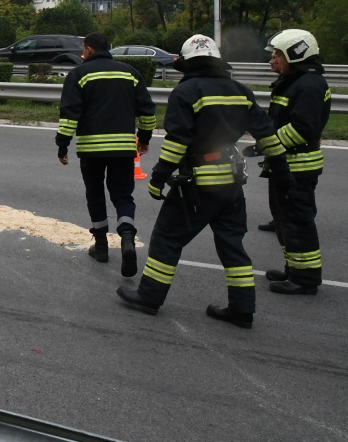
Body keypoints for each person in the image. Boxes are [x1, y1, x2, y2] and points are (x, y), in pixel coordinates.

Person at [116, 35, 291, 329]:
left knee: (167, 239)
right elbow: (268, 135)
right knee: (232, 245)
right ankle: (242, 309)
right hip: (232, 183)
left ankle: (149, 297)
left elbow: (177, 142)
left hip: (197, 184)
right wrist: (282, 170)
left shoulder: (186, 91)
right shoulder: (240, 90)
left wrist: (158, 178)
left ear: (187, 63)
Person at [56, 32, 156, 277]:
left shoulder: (78, 75)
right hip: (123, 148)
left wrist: (62, 144)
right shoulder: (129, 73)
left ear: (88, 49)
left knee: (95, 193)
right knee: (123, 195)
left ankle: (101, 247)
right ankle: (128, 238)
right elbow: (147, 110)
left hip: (91, 149)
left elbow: (70, 114)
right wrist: (143, 139)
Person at [258, 29, 328, 296]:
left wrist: (268, 144)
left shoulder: (309, 85)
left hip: (298, 167)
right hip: (285, 165)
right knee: (284, 220)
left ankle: (306, 278)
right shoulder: (294, 81)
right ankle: (294, 267)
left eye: (277, 56)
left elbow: (302, 128)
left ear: (294, 55)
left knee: (297, 222)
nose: (272, 61)